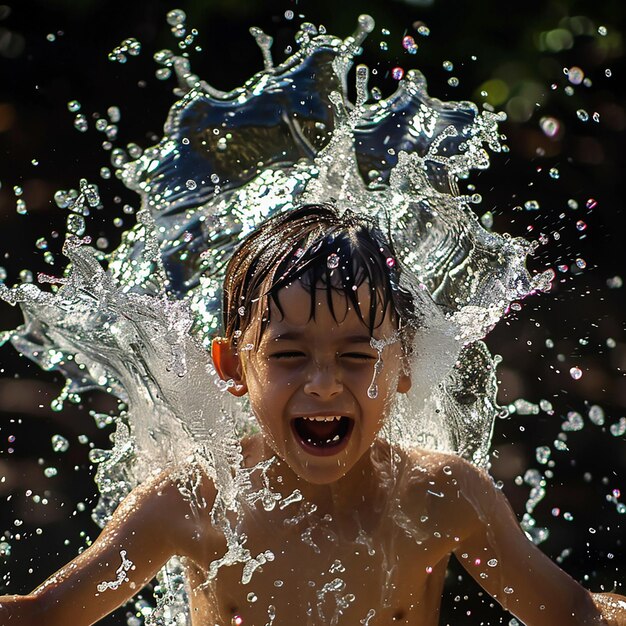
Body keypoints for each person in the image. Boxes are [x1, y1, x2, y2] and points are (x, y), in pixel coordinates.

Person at [1, 203, 625, 626]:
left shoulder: (442, 501)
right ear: (231, 367)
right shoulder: (191, 506)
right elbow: (43, 616)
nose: (323, 384)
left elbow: (577, 617)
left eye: (357, 356)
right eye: (289, 355)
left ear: (404, 364)